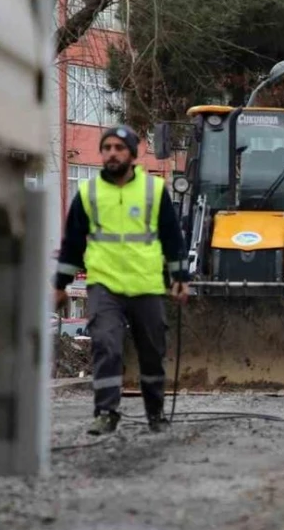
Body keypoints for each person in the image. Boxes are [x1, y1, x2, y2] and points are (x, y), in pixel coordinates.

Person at [53, 125, 190, 436]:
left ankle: (155, 413)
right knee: (106, 345)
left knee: (152, 352)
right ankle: (105, 412)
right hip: (105, 285)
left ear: (132, 154)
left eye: (118, 147)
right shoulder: (88, 193)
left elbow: (172, 239)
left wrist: (180, 278)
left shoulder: (154, 191)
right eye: (107, 148)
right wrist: (59, 284)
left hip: (147, 285)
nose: (112, 153)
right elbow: (73, 244)